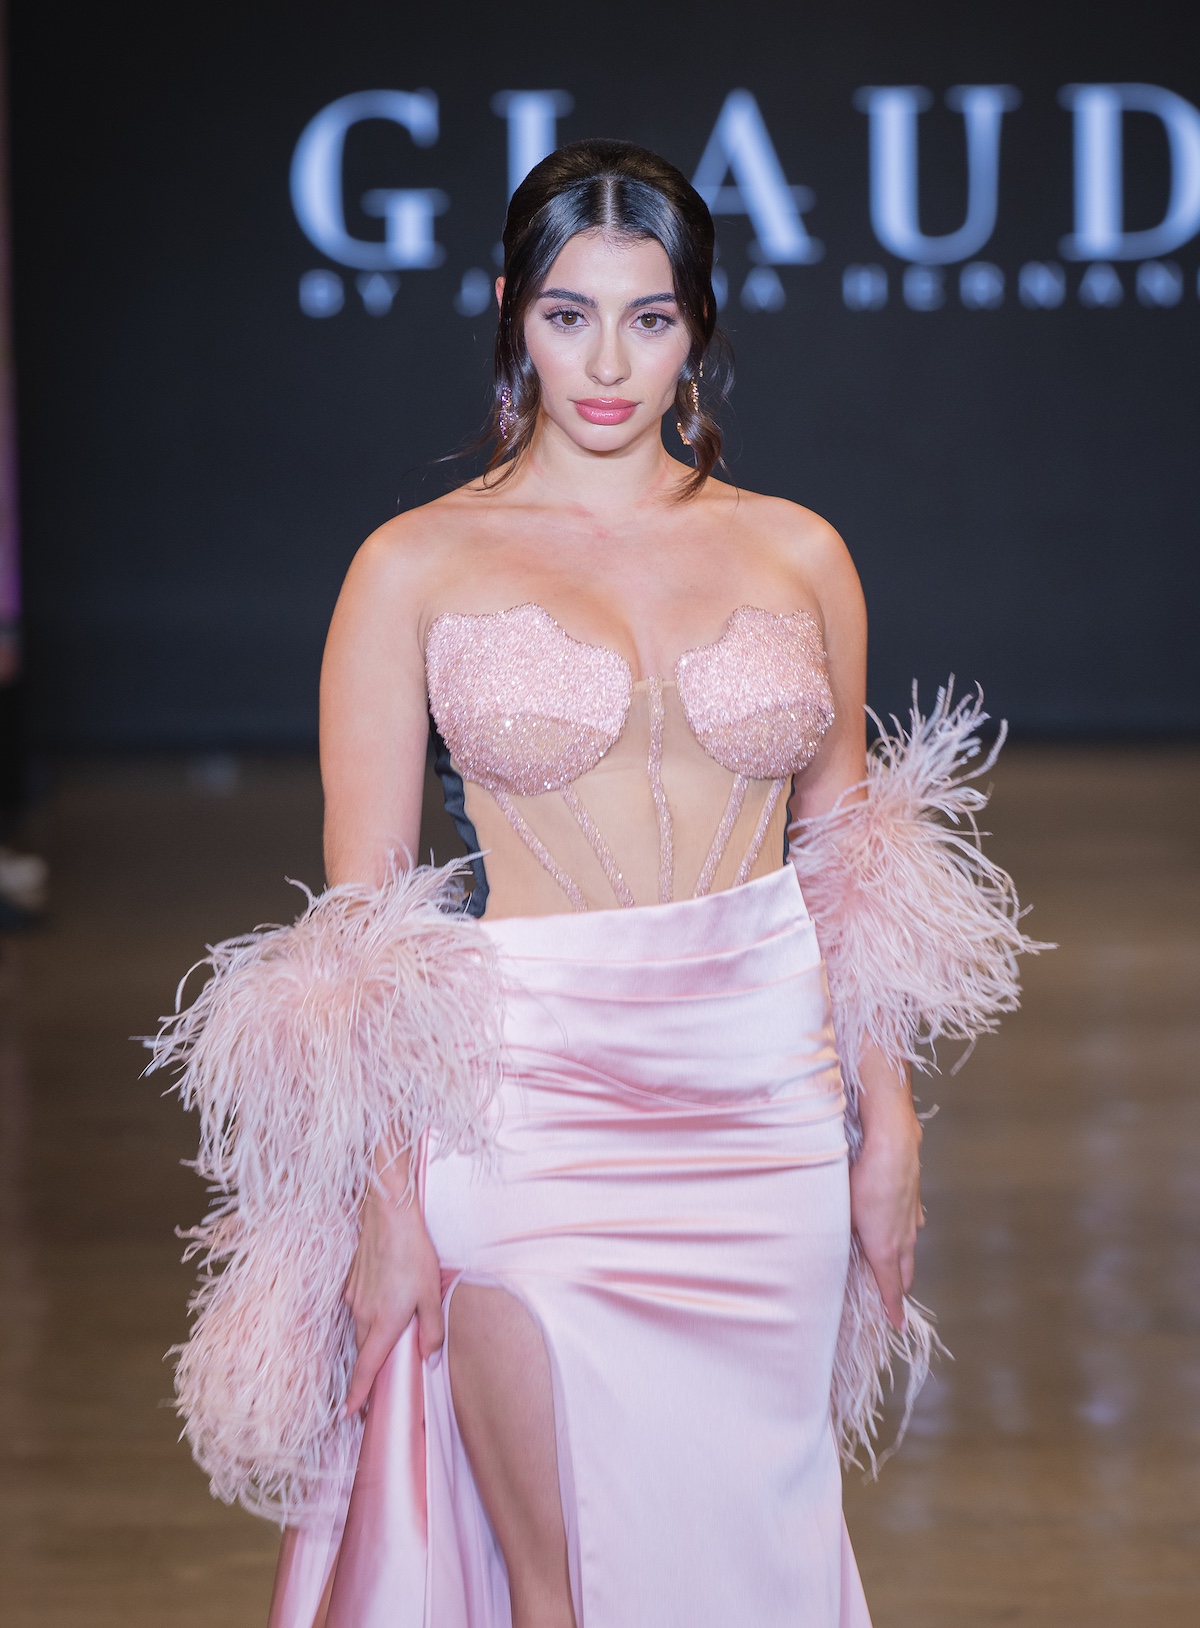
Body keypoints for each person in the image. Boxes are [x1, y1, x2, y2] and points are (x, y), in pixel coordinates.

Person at [149, 141, 1038, 1628]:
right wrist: (387, 1208)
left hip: (764, 1109)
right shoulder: (411, 567)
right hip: (526, 1105)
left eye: (649, 317)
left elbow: (851, 863)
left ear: (699, 327)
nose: (609, 363)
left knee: (749, 1539)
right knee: (563, 1581)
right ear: (513, 315)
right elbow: (364, 923)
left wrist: (887, 1128)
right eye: (569, 316)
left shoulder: (798, 551)